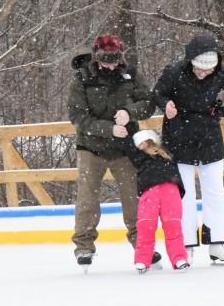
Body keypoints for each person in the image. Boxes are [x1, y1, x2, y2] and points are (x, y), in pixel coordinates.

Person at [152, 34, 224, 265]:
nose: (203, 73)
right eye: (199, 69)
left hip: (209, 136)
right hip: (179, 136)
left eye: (208, 70)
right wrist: (166, 105)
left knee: (215, 192)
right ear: (190, 61)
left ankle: (217, 242)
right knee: (184, 195)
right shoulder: (174, 71)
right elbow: (157, 93)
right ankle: (186, 244)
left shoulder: (221, 73)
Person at [67, 34, 159, 270]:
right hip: (91, 146)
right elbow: (77, 116)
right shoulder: (82, 78)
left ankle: (142, 241)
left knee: (133, 197)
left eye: (115, 59)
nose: (110, 64)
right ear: (96, 57)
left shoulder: (132, 75)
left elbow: (148, 103)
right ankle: (84, 246)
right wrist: (108, 128)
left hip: (125, 148)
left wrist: (129, 112)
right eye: (105, 60)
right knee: (87, 197)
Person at [123, 129, 189, 273]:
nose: (143, 147)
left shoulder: (168, 153)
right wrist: (125, 133)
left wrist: (172, 116)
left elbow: (173, 134)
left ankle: (179, 259)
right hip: (149, 193)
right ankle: (142, 260)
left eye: (146, 142)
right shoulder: (140, 158)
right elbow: (128, 147)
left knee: (173, 226)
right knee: (145, 226)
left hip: (171, 191)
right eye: (139, 145)